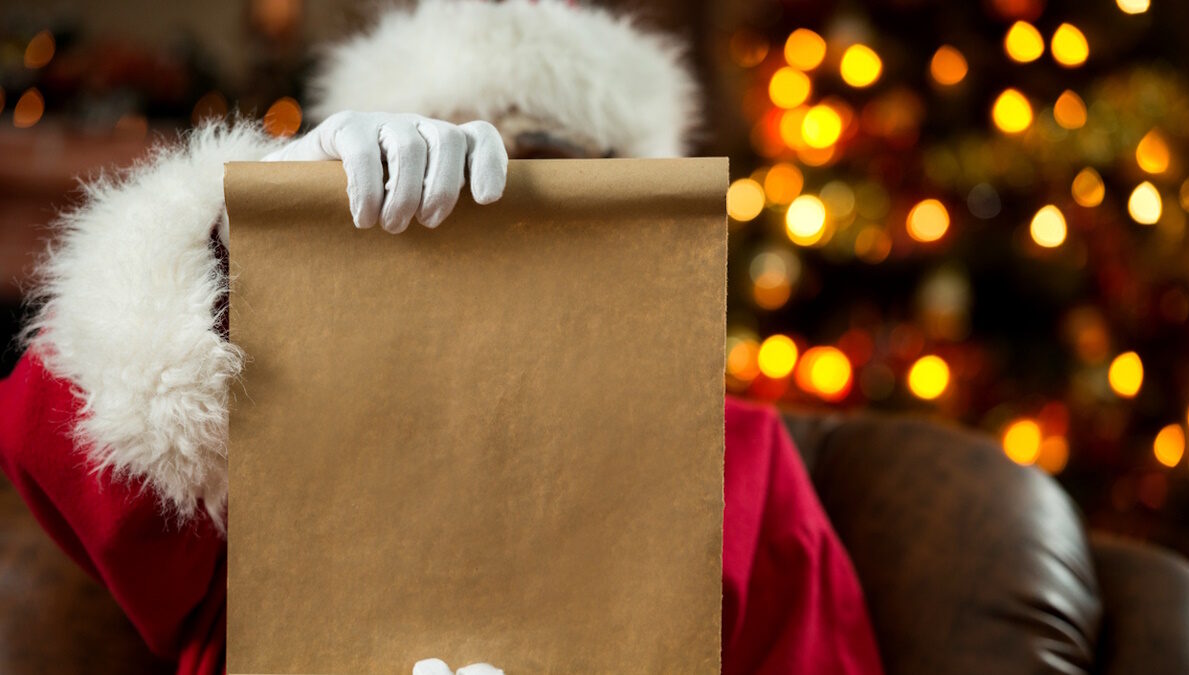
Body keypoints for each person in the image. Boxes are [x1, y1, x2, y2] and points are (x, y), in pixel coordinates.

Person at [0, 2, 884, 674]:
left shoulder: (740, 455)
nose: (493, 236)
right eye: (439, 204)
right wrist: (232, 235)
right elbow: (63, 439)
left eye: (549, 182)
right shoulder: (266, 414)